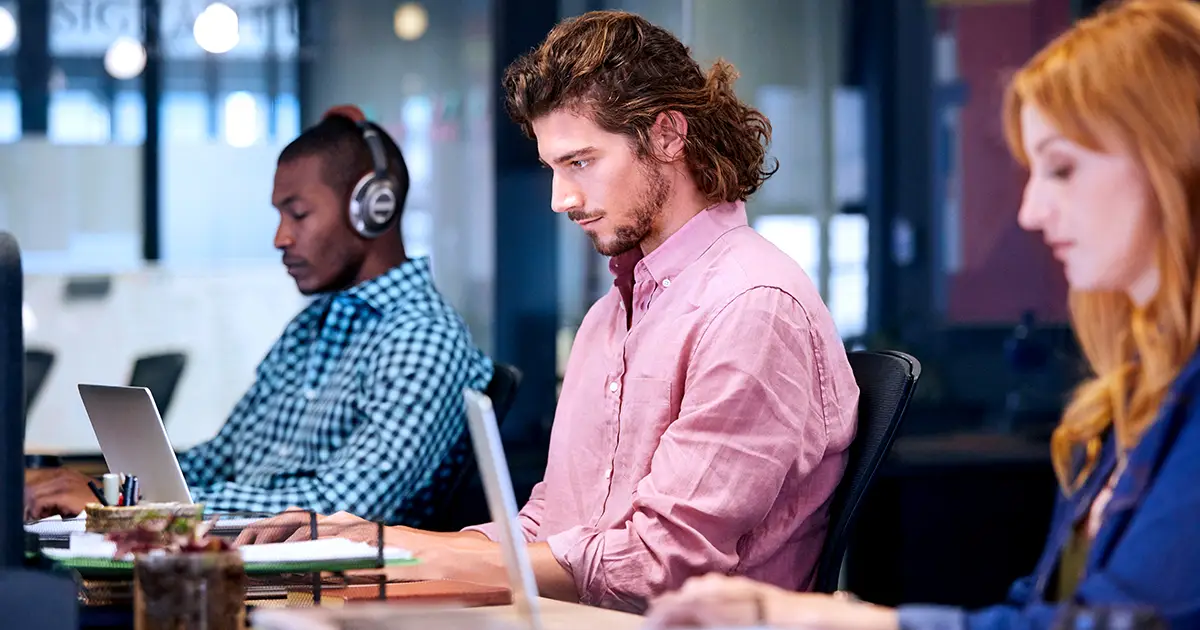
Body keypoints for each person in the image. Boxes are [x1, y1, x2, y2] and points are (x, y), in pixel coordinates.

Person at [642, 1, 1200, 628]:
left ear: (1175, 158)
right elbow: (1045, 612)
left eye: (1063, 168)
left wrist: (838, 623)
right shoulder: (1128, 406)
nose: (1032, 213)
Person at [24, 105, 494, 527]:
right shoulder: (312, 328)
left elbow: (346, 505)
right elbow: (220, 459)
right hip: (247, 558)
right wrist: (108, 489)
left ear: (373, 209)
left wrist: (136, 504)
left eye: (299, 214)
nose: (280, 238)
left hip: (325, 588)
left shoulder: (422, 337)